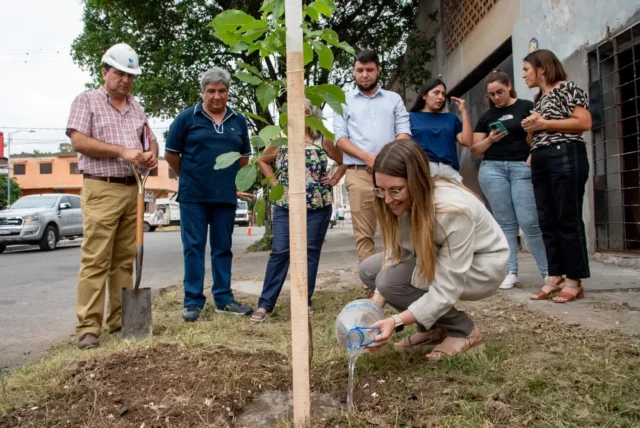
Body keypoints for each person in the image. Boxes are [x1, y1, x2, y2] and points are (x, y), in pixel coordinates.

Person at [360, 139, 508, 361]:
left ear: (417, 182)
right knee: (370, 271)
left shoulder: (452, 211)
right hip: (436, 258)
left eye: (395, 190)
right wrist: (376, 303)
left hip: (481, 266)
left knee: (390, 281)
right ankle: (433, 328)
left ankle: (464, 331)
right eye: (381, 190)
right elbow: (397, 251)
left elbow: (447, 287)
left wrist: (396, 321)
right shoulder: (396, 201)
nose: (388, 199)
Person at [66, 43, 159, 349]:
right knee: (96, 258)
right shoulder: (86, 101)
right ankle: (88, 328)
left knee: (123, 261)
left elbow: (150, 141)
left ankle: (120, 319)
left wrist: (150, 156)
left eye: (131, 75)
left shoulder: (136, 107)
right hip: (101, 187)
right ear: (104, 71)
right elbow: (78, 141)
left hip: (133, 188)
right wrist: (122, 151)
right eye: (120, 73)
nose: (126, 80)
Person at [165, 67, 253, 322]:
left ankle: (224, 299)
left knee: (222, 248)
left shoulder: (238, 121)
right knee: (193, 247)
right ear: (202, 92)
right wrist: (191, 176)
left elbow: (244, 158)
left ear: (228, 92)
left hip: (225, 196)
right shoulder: (186, 118)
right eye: (211, 91)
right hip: (193, 196)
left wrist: (228, 181)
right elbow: (171, 155)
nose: (217, 96)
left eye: (222, 91)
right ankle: (193, 302)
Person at [250, 99, 345, 322]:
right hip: (286, 205)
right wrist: (275, 184)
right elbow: (263, 161)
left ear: (311, 114)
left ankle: (304, 301)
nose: (298, 115)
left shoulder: (323, 139)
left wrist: (333, 179)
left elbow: (343, 161)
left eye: (303, 111)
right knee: (281, 252)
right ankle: (265, 305)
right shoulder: (281, 139)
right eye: (293, 111)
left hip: (318, 206)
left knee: (310, 252)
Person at [521, 49, 592, 303]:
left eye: (526, 69)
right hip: (541, 158)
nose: (524, 75)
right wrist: (531, 129)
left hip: (565, 154)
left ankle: (574, 280)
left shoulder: (567, 89)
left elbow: (584, 122)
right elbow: (536, 137)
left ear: (541, 68)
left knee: (567, 218)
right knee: (547, 220)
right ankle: (554, 276)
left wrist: (545, 124)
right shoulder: (539, 99)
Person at [471, 69, 548, 290]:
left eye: (500, 92)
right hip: (493, 168)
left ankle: (548, 273)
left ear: (509, 86)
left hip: (521, 167)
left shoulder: (525, 106)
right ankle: (510, 271)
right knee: (505, 224)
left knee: (529, 222)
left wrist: (531, 156)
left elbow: (540, 134)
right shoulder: (487, 117)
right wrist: (490, 139)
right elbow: (475, 149)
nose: (496, 97)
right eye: (492, 94)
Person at [333, 49, 411, 267]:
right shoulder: (343, 101)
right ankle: (371, 287)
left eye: (369, 70)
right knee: (364, 235)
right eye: (360, 70)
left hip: (392, 175)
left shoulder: (393, 99)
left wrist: (385, 158)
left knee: (396, 230)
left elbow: (404, 132)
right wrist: (367, 157)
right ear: (354, 72)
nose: (364, 75)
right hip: (358, 174)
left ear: (378, 71)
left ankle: (396, 280)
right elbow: (340, 138)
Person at [408, 79, 473, 183]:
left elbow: (467, 141)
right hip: (423, 170)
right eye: (436, 93)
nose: (440, 97)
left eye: (443, 94)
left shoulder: (451, 118)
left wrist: (464, 112)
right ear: (424, 95)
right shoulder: (410, 117)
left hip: (450, 171)